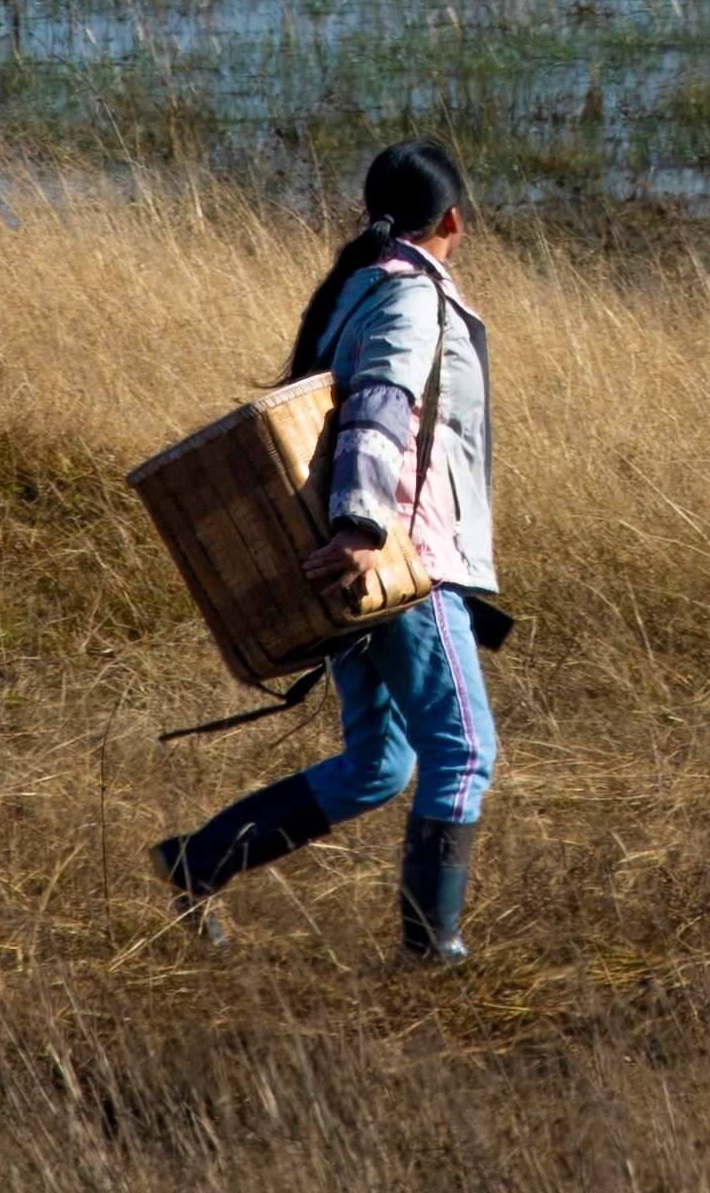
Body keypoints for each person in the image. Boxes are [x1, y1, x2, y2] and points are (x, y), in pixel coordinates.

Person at [156, 139, 506, 960]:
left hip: (353, 561)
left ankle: (196, 862)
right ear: (453, 219)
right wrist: (361, 527)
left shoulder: (358, 288)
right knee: (463, 753)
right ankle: (429, 955)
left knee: (380, 764)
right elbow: (379, 406)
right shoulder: (411, 298)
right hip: (395, 563)